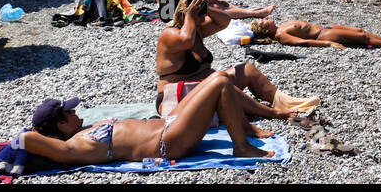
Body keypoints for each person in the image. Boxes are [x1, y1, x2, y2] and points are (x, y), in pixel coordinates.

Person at [20, 73, 270, 164]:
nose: (76, 113)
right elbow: (29, 139)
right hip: (167, 141)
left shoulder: (82, 130)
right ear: (61, 124)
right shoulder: (73, 147)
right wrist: (20, 139)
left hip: (169, 124)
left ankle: (245, 129)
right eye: (70, 112)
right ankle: (241, 146)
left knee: (216, 80)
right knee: (220, 83)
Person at [155, 0, 319, 123]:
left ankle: (284, 101)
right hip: (174, 99)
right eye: (198, 15)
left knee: (247, 70)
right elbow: (186, 41)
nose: (202, 20)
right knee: (221, 83)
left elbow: (224, 21)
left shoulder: (196, 30)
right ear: (185, 15)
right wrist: (190, 15)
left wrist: (207, 8)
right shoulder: (170, 34)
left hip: (203, 89)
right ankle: (274, 113)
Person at [250, 17, 381, 51]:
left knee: (360, 31)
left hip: (324, 27)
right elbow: (301, 42)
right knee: (363, 39)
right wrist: (328, 43)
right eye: (264, 22)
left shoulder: (280, 26)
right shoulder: (280, 35)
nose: (266, 19)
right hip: (322, 35)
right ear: (266, 30)